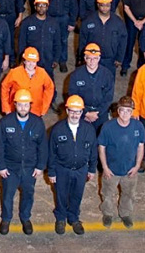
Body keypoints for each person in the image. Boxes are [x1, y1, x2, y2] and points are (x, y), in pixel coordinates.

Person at [0, 89, 47, 235]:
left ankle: (25, 217)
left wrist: (40, 166)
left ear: (30, 105)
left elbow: (43, 146)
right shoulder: (5, 122)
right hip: (10, 167)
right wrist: (1, 166)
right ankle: (6, 218)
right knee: (7, 194)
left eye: (26, 104)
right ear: (15, 104)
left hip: (30, 168)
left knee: (28, 194)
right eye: (20, 104)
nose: (23, 108)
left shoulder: (37, 123)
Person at [47, 95, 97, 235]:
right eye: (72, 111)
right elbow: (51, 152)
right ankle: (61, 218)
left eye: (78, 112)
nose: (75, 115)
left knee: (77, 195)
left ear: (82, 112)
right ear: (67, 111)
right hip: (62, 169)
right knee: (61, 195)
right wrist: (51, 172)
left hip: (81, 169)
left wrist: (92, 169)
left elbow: (93, 150)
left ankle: (73, 218)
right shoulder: (57, 129)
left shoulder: (89, 129)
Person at [97, 96, 145, 229]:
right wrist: (105, 167)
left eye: (128, 111)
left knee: (129, 194)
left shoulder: (138, 126)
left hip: (130, 170)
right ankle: (108, 213)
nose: (125, 114)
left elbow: (140, 146)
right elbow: (102, 147)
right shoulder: (108, 127)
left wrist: (137, 166)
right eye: (122, 110)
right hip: (111, 170)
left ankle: (125, 213)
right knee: (107, 193)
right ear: (118, 111)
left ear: (132, 112)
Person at [38, 0, 78, 73]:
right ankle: (49, 60)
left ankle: (62, 61)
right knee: (49, 40)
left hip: (64, 19)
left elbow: (74, 6)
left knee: (63, 40)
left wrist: (72, 22)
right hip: (49, 19)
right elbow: (38, 4)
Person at [68, 43, 115, 130]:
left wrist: (97, 113)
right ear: (85, 58)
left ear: (99, 58)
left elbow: (108, 97)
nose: (92, 61)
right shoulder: (76, 75)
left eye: (95, 58)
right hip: (81, 113)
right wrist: (86, 113)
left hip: (100, 113)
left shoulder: (107, 75)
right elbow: (73, 95)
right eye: (89, 58)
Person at [78, 0, 127, 72]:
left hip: (110, 60)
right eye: (102, 5)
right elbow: (82, 41)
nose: (105, 8)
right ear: (98, 5)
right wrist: (82, 57)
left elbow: (123, 41)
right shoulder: (88, 21)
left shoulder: (118, 23)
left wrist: (119, 58)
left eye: (107, 5)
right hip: (92, 59)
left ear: (111, 5)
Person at [0, 47, 55, 116]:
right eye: (28, 61)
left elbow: (50, 88)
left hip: (35, 111)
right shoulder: (14, 72)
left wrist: (44, 107)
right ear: (24, 61)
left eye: (33, 62)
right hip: (17, 110)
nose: (31, 64)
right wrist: (6, 108)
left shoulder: (42, 73)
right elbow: (4, 87)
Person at [17, 0, 59, 78]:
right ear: (35, 7)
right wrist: (23, 59)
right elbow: (21, 42)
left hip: (48, 60)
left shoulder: (53, 23)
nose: (41, 8)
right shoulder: (26, 23)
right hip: (31, 61)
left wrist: (56, 59)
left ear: (47, 7)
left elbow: (57, 43)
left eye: (44, 5)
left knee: (48, 83)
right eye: (39, 5)